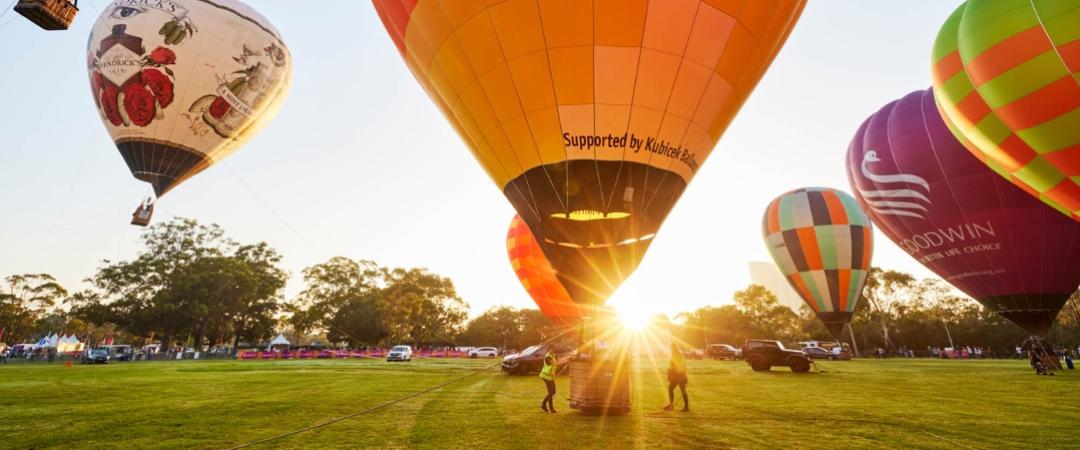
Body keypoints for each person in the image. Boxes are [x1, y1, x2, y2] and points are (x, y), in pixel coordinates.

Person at [664, 343, 689, 412]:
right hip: (678, 375)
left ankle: (686, 407)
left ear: (673, 349)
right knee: (671, 388)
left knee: (682, 390)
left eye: (671, 348)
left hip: (680, 375)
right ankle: (671, 405)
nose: (671, 350)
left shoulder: (676, 356)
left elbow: (677, 366)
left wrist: (671, 371)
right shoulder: (677, 355)